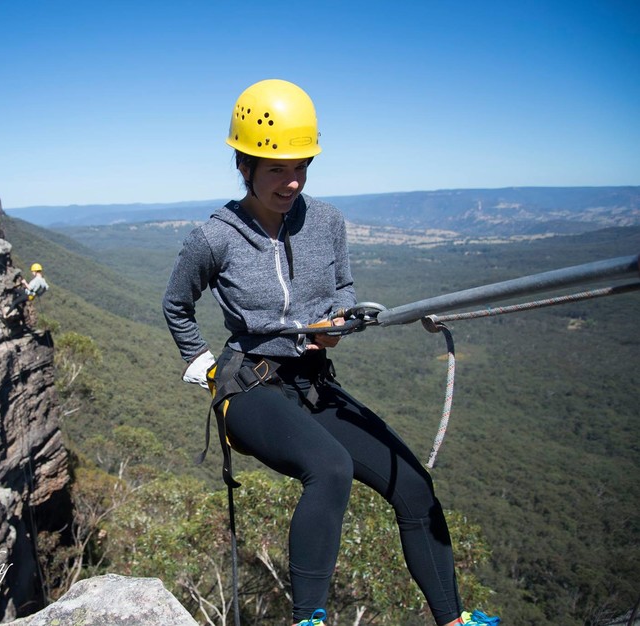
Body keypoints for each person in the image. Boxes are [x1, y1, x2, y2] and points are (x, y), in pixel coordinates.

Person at [162, 79, 500, 626]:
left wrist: (336, 323)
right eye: (276, 169)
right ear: (243, 165)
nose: (292, 182)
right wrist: (202, 367)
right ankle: (310, 620)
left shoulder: (327, 223)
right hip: (250, 385)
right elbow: (177, 304)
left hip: (314, 383)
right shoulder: (214, 238)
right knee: (331, 467)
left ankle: (453, 620)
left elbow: (343, 288)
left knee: (414, 487)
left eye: (301, 167)